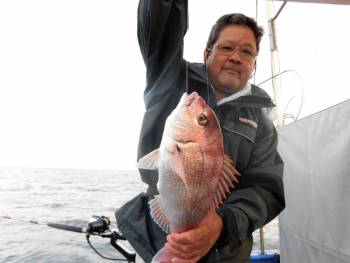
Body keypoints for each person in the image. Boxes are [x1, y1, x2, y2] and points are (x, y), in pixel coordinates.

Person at [115, 0, 285, 262]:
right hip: (159, 242)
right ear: (207, 54)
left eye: (247, 52)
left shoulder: (262, 123)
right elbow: (159, 29)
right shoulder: (169, 78)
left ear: (254, 64)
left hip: (227, 253)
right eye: (226, 47)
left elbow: (266, 190)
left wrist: (219, 226)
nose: (236, 57)